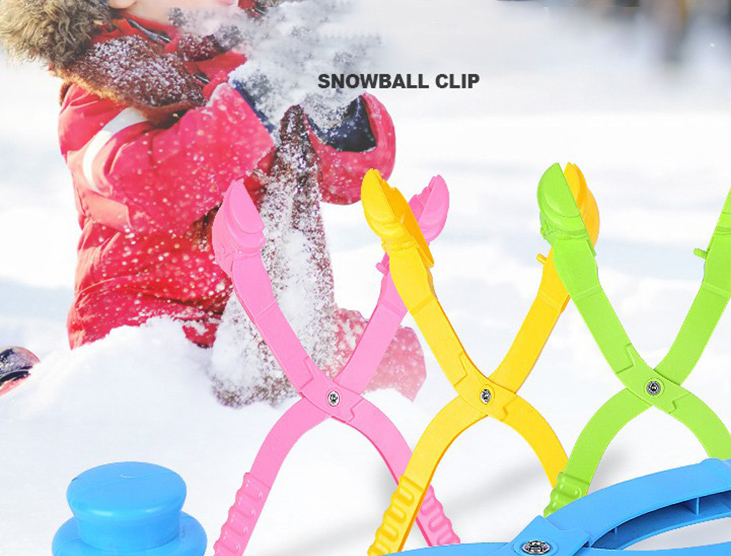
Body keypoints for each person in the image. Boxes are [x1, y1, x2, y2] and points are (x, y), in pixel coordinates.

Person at [0, 0, 425, 398]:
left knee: (394, 361)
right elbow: (156, 187)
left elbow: (354, 182)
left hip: (274, 320)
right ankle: (33, 398)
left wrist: (336, 113)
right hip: (153, 324)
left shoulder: (262, 57)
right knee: (133, 410)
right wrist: (253, 102)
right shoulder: (98, 94)